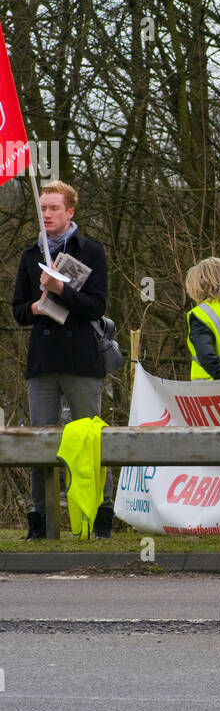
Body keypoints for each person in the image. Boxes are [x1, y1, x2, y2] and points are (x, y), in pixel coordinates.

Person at [12, 180, 115, 539]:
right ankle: (40, 521)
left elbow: (96, 307)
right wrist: (36, 307)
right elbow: (17, 311)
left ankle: (98, 518)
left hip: (82, 360)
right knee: (40, 443)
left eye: (54, 208)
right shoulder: (29, 255)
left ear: (70, 211)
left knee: (91, 441)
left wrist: (61, 291)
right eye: (42, 208)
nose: (47, 214)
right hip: (42, 362)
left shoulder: (92, 251)